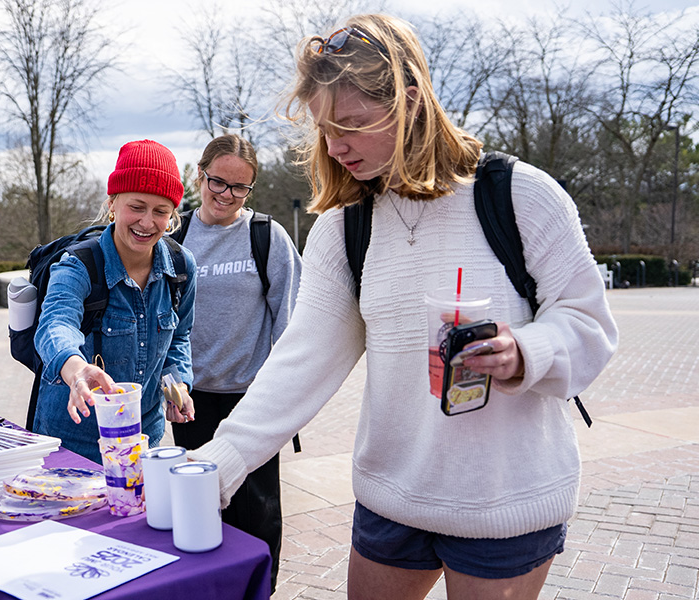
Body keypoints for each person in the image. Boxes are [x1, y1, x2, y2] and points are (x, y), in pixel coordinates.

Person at [189, 14, 618, 600]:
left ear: (411, 101)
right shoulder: (344, 228)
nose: (334, 145)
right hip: (391, 498)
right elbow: (304, 356)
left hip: (503, 502)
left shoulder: (522, 196)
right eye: (324, 127)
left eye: (353, 124)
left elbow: (590, 328)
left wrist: (527, 351)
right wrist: (224, 459)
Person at [170, 134, 301, 591]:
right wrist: (170, 383)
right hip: (191, 401)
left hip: (253, 402)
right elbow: (163, 323)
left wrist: (283, 399)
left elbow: (292, 323)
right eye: (217, 182)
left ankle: (261, 590)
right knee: (200, 514)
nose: (226, 195)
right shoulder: (176, 239)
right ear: (199, 176)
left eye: (239, 187)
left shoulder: (268, 237)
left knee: (259, 515)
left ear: (251, 189)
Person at [32, 139, 197, 464]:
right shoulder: (78, 265)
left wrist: (177, 383)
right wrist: (75, 367)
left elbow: (179, 337)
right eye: (136, 207)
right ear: (113, 203)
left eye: (161, 211)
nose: (147, 223)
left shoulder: (181, 267)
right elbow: (55, 323)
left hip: (141, 438)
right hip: (72, 443)